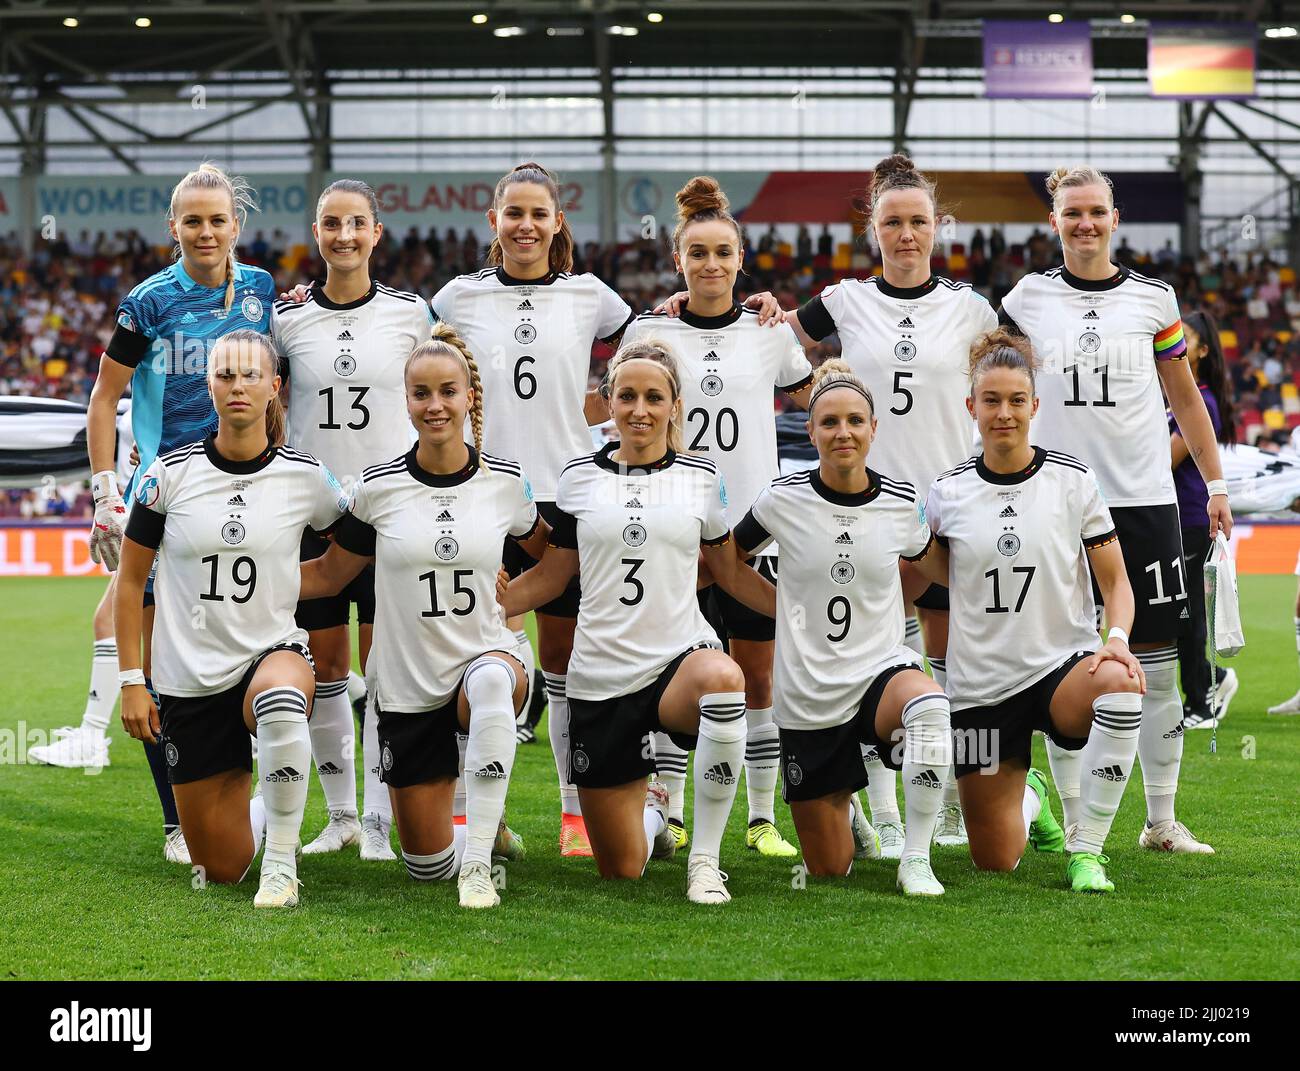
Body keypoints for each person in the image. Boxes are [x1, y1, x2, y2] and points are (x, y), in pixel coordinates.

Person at [999, 165, 1232, 856]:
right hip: (1058, 503)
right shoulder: (1026, 297)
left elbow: (1186, 400)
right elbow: (994, 379)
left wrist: (1216, 485)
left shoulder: (1155, 301)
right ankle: (1075, 819)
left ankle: (1160, 819)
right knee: (1064, 663)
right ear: (1055, 221)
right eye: (1072, 212)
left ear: (1115, 216)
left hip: (1145, 504)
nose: (1085, 223)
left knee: (1156, 665)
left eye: (1096, 211)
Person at [499, 339, 774, 903]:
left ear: (675, 406)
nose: (640, 409)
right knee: (621, 868)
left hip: (679, 659)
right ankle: (654, 816)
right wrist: (479, 605)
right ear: (608, 402)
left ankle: (705, 861)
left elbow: (726, 571)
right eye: (627, 396)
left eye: (654, 397)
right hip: (601, 675)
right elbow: (552, 578)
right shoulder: (578, 478)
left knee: (725, 682)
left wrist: (798, 610)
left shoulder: (701, 477)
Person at [71, 163, 276, 864]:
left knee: (249, 646)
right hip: (169, 493)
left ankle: (262, 800)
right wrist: (105, 496)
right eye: (193, 220)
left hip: (248, 488)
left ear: (235, 227)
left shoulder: (260, 291)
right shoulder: (148, 302)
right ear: (174, 228)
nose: (207, 231)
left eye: (218, 219)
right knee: (160, 660)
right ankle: (176, 822)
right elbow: (104, 398)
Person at [300, 327, 542, 908]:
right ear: (405, 400)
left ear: (468, 398)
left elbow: (558, 557)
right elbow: (331, 576)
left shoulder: (506, 482)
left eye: (447, 392)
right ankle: (478, 834)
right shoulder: (377, 489)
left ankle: (479, 862)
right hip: (408, 689)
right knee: (426, 867)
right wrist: (249, 580)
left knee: (487, 682)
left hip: (488, 657)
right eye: (420, 393)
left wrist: (509, 600)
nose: (435, 405)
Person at [432, 162, 634, 857]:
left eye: (537, 213)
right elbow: (405, 351)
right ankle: (476, 818)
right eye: (512, 213)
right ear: (494, 221)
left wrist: (595, 413)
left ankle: (574, 813)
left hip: (568, 496)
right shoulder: (458, 297)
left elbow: (650, 354)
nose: (524, 225)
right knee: (474, 655)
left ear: (556, 221)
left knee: (564, 660)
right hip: (484, 493)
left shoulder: (590, 296)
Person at [115, 330, 349, 908]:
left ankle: (282, 864)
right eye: (225, 375)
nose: (237, 386)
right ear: (208, 385)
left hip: (270, 655)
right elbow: (127, 583)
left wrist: (302, 583)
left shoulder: (307, 477)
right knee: (218, 867)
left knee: (280, 695)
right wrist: (130, 682)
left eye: (251, 375)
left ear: (275, 386)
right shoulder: (167, 475)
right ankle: (266, 809)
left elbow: (350, 552)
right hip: (187, 681)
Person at [623, 175, 813, 859]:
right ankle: (669, 810)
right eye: (696, 253)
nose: (709, 265)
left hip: (753, 528)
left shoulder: (768, 332)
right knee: (679, 669)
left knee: (758, 675)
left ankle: (762, 816)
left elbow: (810, 395)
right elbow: (624, 410)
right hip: (676, 523)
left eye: (721, 253)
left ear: (740, 260)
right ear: (678, 261)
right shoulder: (649, 330)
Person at [922, 329, 1146, 893]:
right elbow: (920, 575)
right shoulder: (945, 494)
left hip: (1060, 669)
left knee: (1120, 682)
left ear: (1035, 406)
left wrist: (1115, 636)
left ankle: (1087, 850)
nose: (1004, 413)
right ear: (970, 406)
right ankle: (1033, 798)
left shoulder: (1072, 481)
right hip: (981, 688)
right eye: (991, 401)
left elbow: (1117, 582)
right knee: (995, 860)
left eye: (1016, 401)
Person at [732, 359, 953, 895]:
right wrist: (782, 606)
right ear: (810, 431)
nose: (843, 432)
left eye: (856, 420)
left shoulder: (902, 503)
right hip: (810, 692)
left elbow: (936, 570)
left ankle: (916, 857)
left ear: (874, 429)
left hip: (881, 670)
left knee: (928, 708)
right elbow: (725, 561)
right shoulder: (781, 498)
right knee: (830, 869)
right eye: (829, 422)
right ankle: (848, 809)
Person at [272, 179, 433, 862]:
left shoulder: (410, 313)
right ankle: (339, 815)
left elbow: (443, 394)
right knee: (328, 667)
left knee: (387, 669)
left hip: (390, 510)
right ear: (317, 232)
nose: (343, 235)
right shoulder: (287, 318)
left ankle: (376, 818)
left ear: (375, 232)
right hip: (315, 514)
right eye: (331, 224)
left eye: (356, 223)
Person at [1173, 310, 1239, 730]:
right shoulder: (1174, 397)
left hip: (1193, 517)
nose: (1176, 341)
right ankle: (1213, 680)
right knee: (1178, 612)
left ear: (1201, 350)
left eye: (1186, 336)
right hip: (1175, 517)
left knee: (1189, 614)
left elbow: (1168, 458)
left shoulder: (1202, 402)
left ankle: (1200, 702)